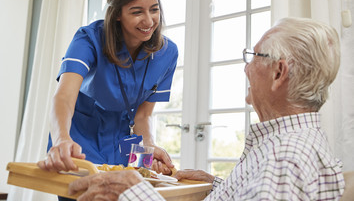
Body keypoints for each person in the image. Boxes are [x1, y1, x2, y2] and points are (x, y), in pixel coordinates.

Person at [66, 17, 345, 201]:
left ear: (278, 73)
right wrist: (219, 186)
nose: (246, 68)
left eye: (254, 56)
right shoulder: (297, 145)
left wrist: (135, 192)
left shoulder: (284, 159)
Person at [37, 0, 178, 197]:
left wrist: (148, 149)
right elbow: (64, 96)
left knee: (132, 193)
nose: (149, 21)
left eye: (154, 10)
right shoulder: (89, 39)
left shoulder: (168, 53)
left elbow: (143, 116)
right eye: (137, 12)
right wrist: (62, 138)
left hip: (127, 141)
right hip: (81, 140)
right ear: (118, 13)